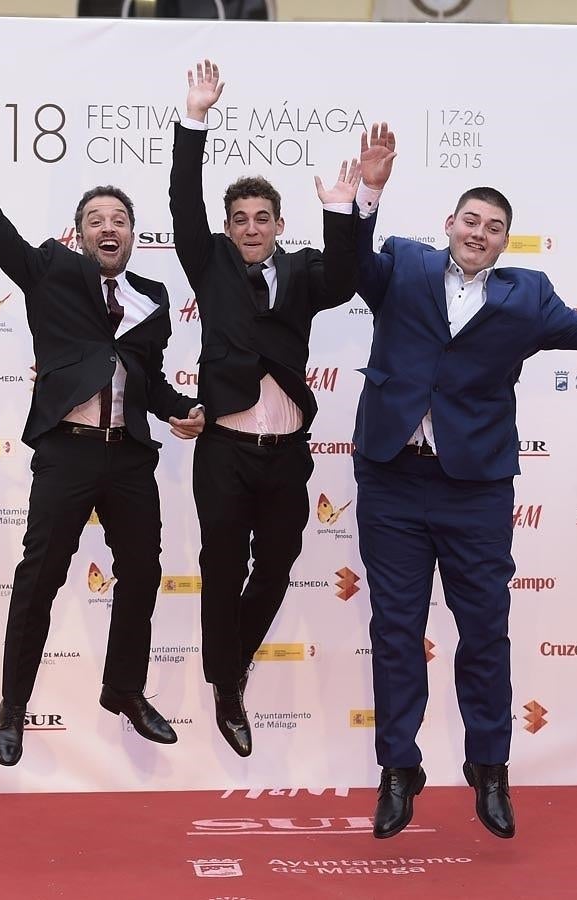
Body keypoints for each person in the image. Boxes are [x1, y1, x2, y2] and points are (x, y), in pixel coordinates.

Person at [352, 122, 577, 839]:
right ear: (449, 224)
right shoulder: (403, 266)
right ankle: (399, 769)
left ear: (505, 242)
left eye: (495, 227)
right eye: (471, 220)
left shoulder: (525, 295)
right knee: (394, 631)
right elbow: (348, 266)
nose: (480, 233)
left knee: (484, 632)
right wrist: (368, 192)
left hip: (475, 489)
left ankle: (490, 769)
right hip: (391, 479)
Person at [0, 75, 205, 767]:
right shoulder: (53, 272)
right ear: (80, 235)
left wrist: (182, 411)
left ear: (132, 235)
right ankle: (11, 707)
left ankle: (124, 690)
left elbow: (149, 380)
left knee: (143, 573)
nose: (108, 227)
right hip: (67, 452)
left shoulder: (152, 295)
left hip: (129, 457)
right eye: (96, 220)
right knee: (39, 579)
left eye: (118, 219)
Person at [169, 60, 358, 757]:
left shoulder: (306, 271)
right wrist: (195, 119)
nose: (251, 229)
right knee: (221, 567)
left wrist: (346, 208)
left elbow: (346, 276)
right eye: (240, 220)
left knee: (276, 564)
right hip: (222, 450)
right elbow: (183, 204)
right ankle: (228, 689)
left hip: (287, 456)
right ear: (228, 226)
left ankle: (228, 666)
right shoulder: (209, 260)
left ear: (281, 224)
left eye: (262, 219)